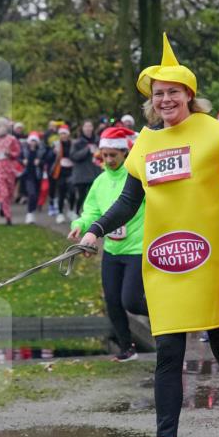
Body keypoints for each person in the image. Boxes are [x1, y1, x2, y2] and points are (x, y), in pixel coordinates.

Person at [71, 33, 219, 437]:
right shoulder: (143, 145)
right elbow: (129, 200)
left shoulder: (215, 135)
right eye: (158, 94)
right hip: (166, 262)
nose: (165, 100)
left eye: (173, 93)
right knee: (168, 352)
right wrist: (95, 230)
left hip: (215, 261)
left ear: (189, 97)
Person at [71, 128, 148, 361]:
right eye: (104, 155)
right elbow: (92, 211)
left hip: (137, 247)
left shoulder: (135, 176)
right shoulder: (100, 181)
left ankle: (173, 316)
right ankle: (127, 347)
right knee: (112, 301)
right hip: (112, 250)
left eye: (113, 155)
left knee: (132, 301)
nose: (108, 160)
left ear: (125, 152)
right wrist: (81, 225)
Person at [71, 120, 102, 215]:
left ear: (93, 128)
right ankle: (76, 212)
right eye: (86, 126)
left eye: (90, 126)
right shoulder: (77, 142)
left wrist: (98, 152)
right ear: (82, 128)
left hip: (95, 173)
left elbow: (104, 155)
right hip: (82, 175)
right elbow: (74, 156)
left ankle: (92, 215)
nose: (88, 128)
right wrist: (87, 150)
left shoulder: (98, 140)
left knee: (94, 197)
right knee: (82, 196)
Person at [21, 132, 43, 223]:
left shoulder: (41, 151)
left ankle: (32, 212)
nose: (33, 143)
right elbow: (18, 157)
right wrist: (23, 160)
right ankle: (29, 213)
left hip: (37, 176)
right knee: (31, 194)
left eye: (34, 141)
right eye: (31, 141)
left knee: (36, 196)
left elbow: (47, 159)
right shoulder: (24, 150)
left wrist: (40, 162)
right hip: (28, 175)